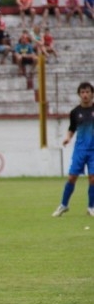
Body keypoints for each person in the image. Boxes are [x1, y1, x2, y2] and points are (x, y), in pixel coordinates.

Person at [53, 82, 94, 217]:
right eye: (82, 92)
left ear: (92, 94)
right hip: (80, 150)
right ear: (79, 95)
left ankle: (91, 207)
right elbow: (72, 128)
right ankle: (64, 205)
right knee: (72, 177)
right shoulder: (75, 112)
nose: (85, 95)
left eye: (87, 92)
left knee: (93, 179)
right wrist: (68, 138)